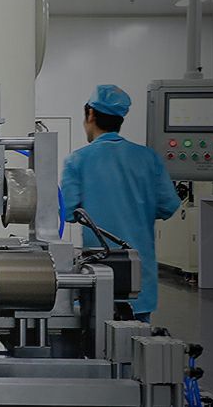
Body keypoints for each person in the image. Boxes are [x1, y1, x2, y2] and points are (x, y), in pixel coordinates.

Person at [59, 85, 181, 322]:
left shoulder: (78, 161)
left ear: (90, 114)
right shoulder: (149, 158)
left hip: (99, 271)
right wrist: (137, 209)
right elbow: (168, 206)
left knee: (97, 337)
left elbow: (68, 211)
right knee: (137, 338)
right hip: (139, 273)